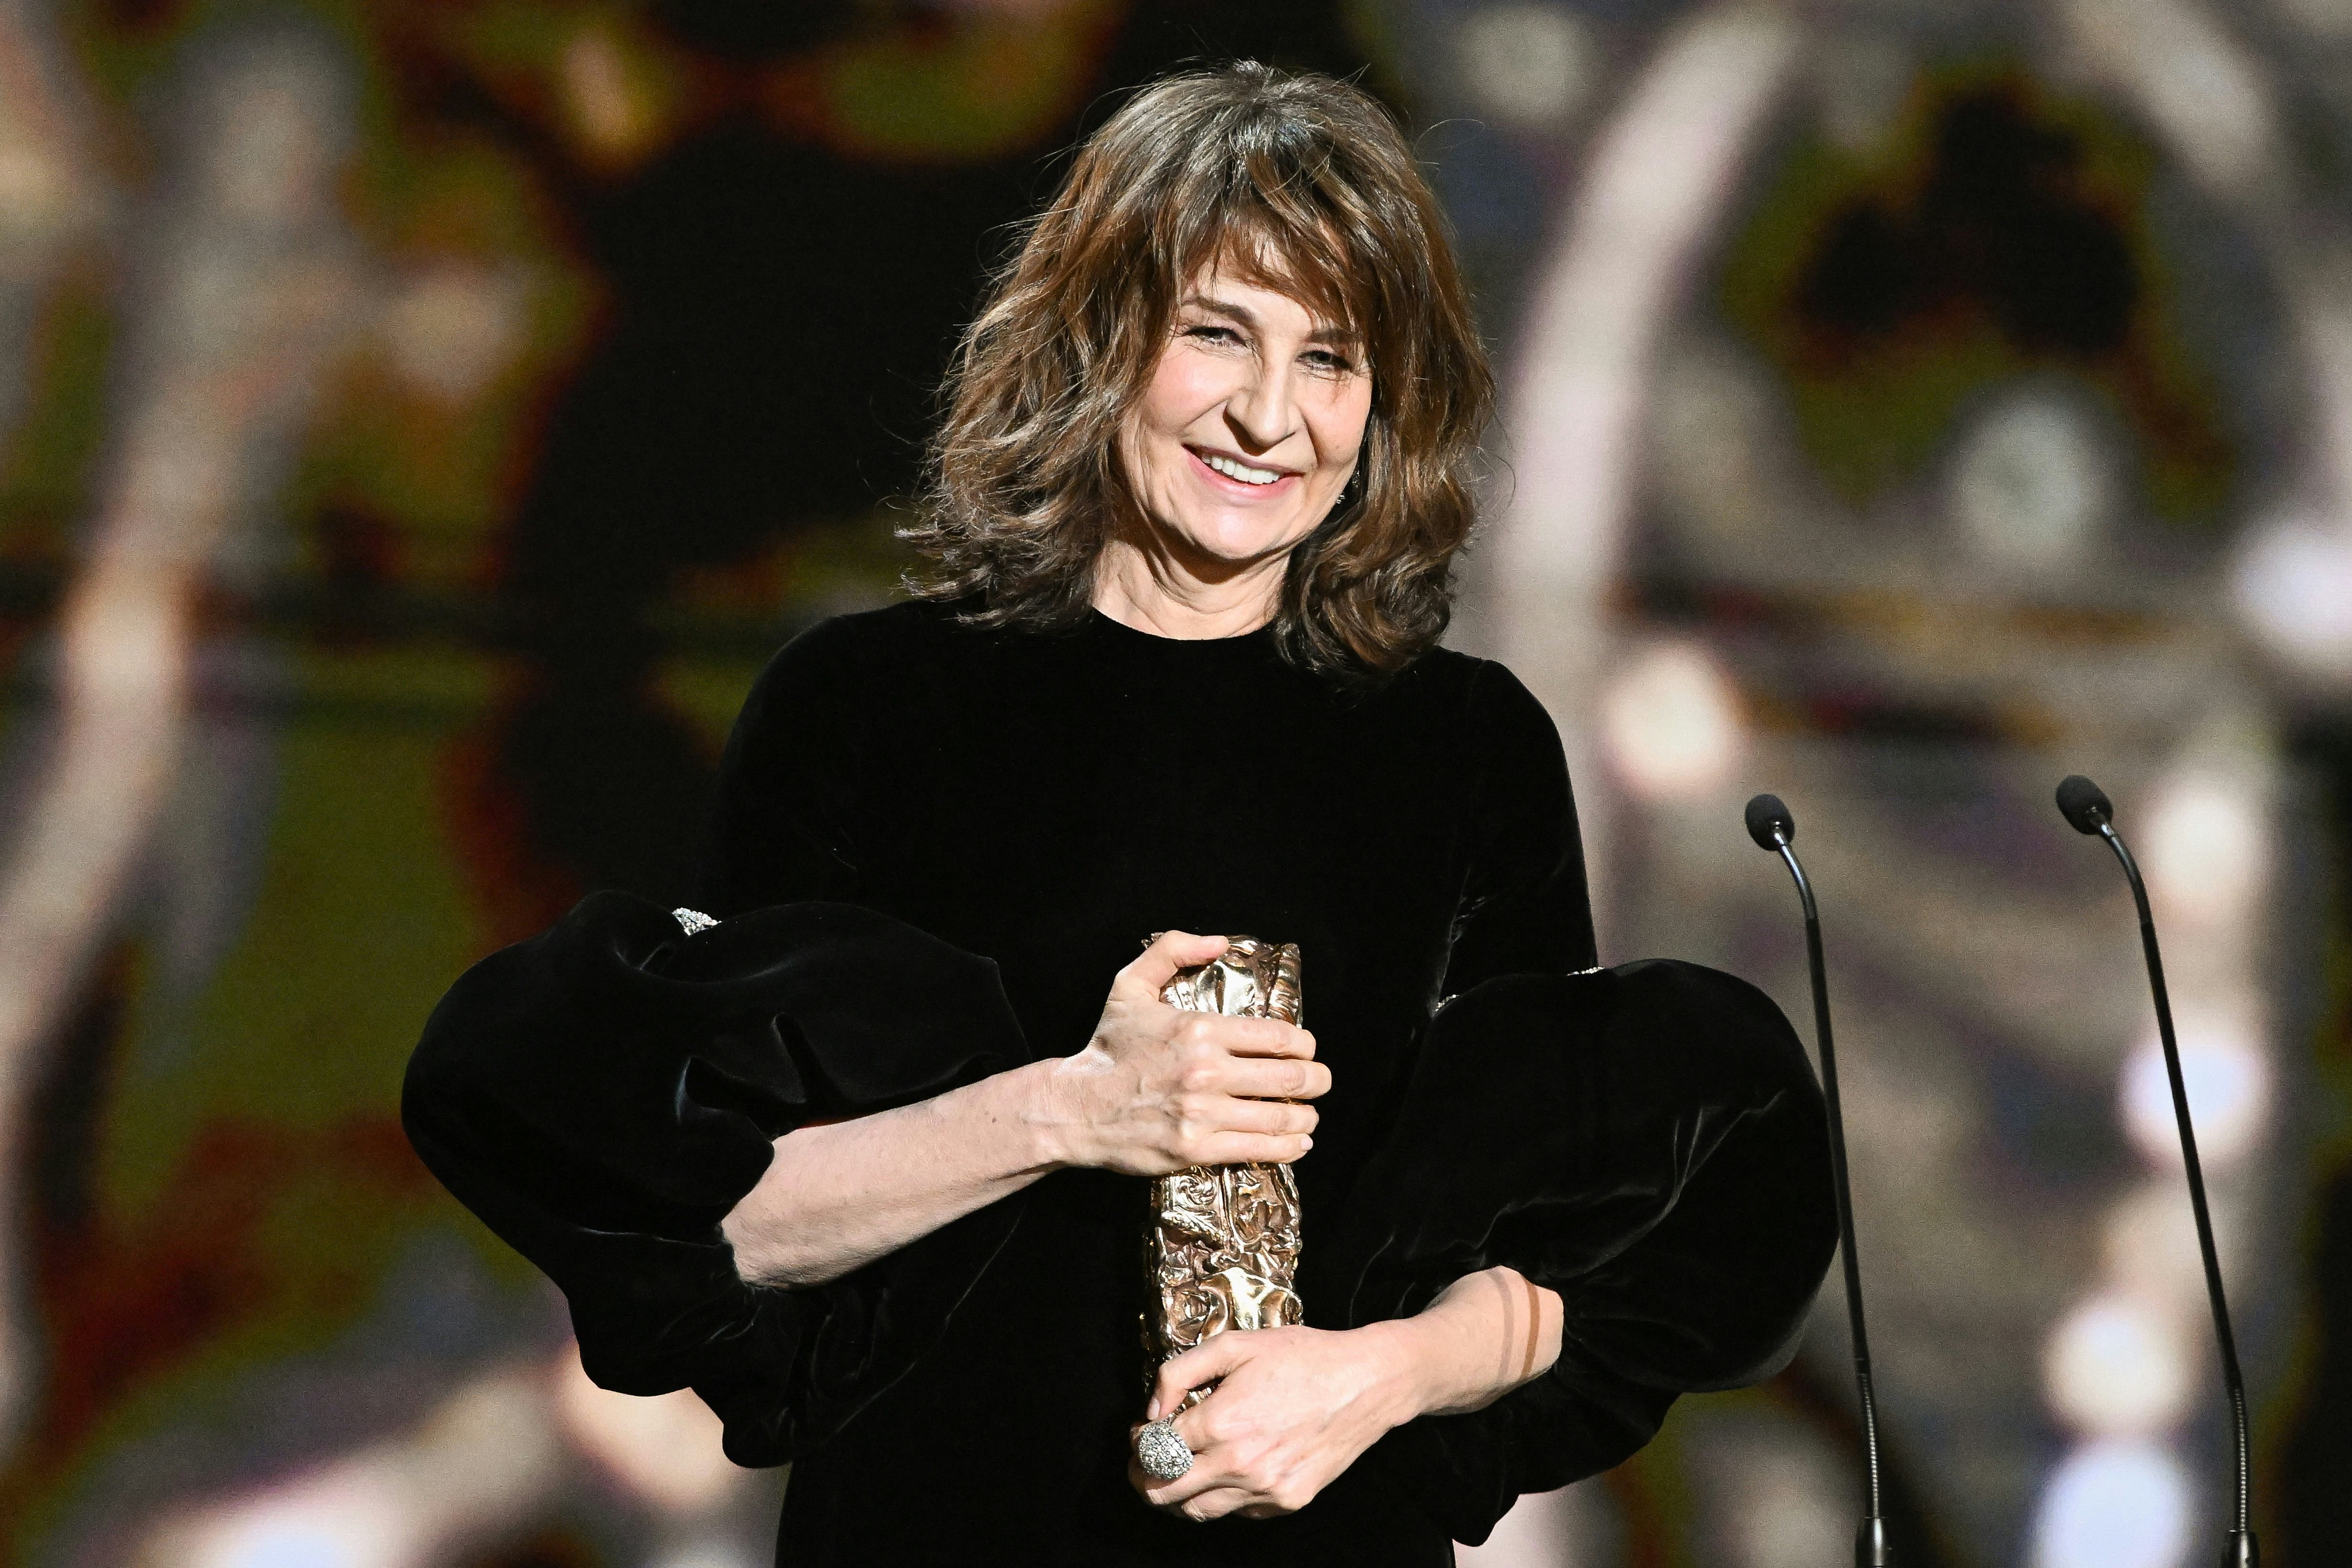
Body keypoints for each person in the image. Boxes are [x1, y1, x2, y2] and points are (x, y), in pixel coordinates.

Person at [404, 63, 1836, 1566]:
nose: (1270, 416)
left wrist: (1375, 1378)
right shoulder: (869, 710)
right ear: (1098, 339)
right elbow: (718, 1224)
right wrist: (1075, 1109)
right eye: (1216, 335)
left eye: (1332, 361)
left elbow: (1562, 1229)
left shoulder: (1465, 747)